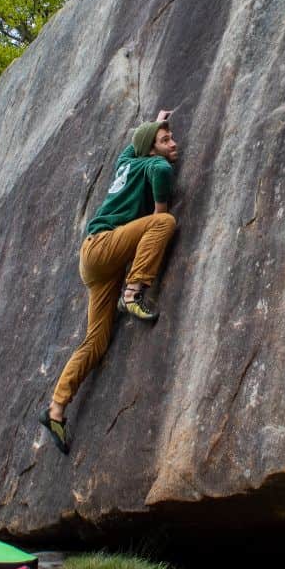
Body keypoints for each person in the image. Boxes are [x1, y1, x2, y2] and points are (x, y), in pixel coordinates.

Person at [40, 109, 179, 454]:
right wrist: (159, 208)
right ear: (151, 149)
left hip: (96, 262)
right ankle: (133, 292)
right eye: (165, 140)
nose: (173, 143)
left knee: (96, 341)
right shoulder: (152, 165)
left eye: (172, 138)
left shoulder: (128, 160)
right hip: (104, 247)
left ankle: (56, 409)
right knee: (164, 223)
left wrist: (156, 120)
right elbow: (160, 169)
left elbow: (132, 146)